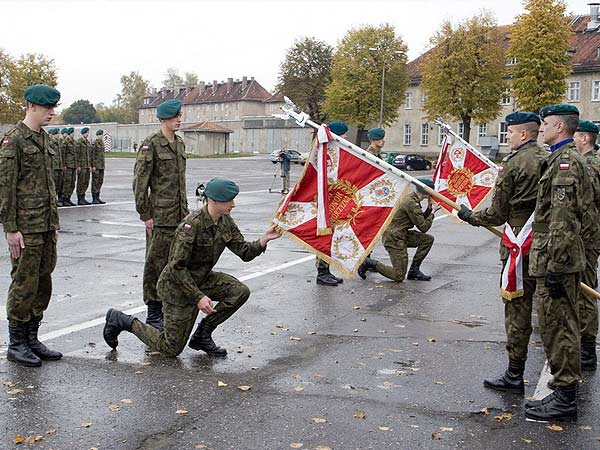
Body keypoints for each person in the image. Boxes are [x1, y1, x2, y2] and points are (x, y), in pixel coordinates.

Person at [103, 178, 281, 357]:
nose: (233, 204)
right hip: (177, 287)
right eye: (229, 200)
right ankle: (122, 321)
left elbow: (244, 252)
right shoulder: (191, 225)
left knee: (239, 291)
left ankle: (202, 335)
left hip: (201, 280)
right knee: (170, 348)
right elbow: (176, 267)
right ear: (213, 201)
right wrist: (198, 297)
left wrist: (263, 239)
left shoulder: (225, 221)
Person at [458, 112, 547, 393]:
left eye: (509, 133)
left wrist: (470, 216)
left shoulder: (515, 163)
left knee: (518, 309)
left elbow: (498, 212)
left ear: (523, 134)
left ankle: (514, 374)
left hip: (520, 242)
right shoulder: (548, 157)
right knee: (548, 307)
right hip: (545, 240)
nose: (506, 137)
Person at [524, 104, 592, 422]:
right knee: (553, 327)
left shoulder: (565, 163)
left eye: (546, 124)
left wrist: (556, 263)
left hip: (558, 261)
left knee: (561, 327)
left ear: (560, 127)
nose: (542, 128)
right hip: (554, 257)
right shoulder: (559, 159)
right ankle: (560, 389)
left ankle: (565, 398)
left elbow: (563, 220)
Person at [0, 84, 63, 367]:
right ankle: (16, 343)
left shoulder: (45, 140)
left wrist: (53, 221)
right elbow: (5, 188)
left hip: (46, 225)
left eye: (53, 107)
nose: (52, 112)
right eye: (48, 107)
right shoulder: (14, 141)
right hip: (25, 227)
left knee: (43, 281)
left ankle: (32, 337)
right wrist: (10, 228)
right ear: (31, 106)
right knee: (24, 283)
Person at [133, 99, 189, 329]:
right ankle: (153, 310)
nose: (179, 120)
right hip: (160, 217)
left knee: (175, 263)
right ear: (164, 118)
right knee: (155, 264)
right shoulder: (151, 145)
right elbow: (140, 184)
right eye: (175, 116)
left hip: (179, 215)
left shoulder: (179, 144)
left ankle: (168, 306)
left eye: (179, 116)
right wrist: (146, 215)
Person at [358, 178, 441, 281]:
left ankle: (414, 271)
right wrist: (432, 213)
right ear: (427, 193)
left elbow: (419, 220)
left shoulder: (412, 199)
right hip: (394, 239)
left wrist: (429, 209)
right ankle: (369, 263)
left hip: (401, 234)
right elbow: (423, 227)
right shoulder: (411, 203)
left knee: (427, 240)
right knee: (399, 276)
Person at [573, 120, 600, 371]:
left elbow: (586, 203)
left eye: (575, 136)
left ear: (584, 139)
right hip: (591, 235)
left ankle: (588, 350)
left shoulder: (590, 165)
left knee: (586, 292)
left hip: (587, 237)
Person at [315, 121, 348, 287]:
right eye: (343, 134)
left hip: (333, 200)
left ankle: (326, 270)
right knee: (324, 237)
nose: (346, 137)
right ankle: (322, 272)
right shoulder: (324, 152)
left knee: (330, 237)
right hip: (323, 203)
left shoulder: (335, 151)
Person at [75, 127, 92, 205]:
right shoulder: (79, 142)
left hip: (87, 165)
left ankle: (83, 197)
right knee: (81, 182)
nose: (87, 134)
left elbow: (89, 155)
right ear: (83, 133)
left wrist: (90, 165)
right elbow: (77, 154)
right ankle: (80, 198)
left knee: (86, 182)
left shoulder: (87, 142)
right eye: (86, 133)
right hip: (81, 165)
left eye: (88, 133)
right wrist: (78, 165)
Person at [48, 128, 64, 207]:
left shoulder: (58, 143)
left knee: (58, 184)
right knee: (53, 184)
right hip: (53, 166)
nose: (59, 135)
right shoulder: (50, 143)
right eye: (58, 133)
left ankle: (56, 199)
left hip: (59, 166)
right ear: (54, 134)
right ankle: (52, 201)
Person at [61, 127, 77, 206]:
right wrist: (63, 164)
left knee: (72, 182)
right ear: (70, 133)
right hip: (68, 165)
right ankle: (64, 199)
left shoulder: (74, 142)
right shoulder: (66, 142)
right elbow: (63, 154)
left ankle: (69, 198)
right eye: (73, 132)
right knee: (67, 183)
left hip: (73, 165)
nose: (74, 134)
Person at [91, 129, 106, 204]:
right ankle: (94, 198)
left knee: (100, 181)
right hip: (96, 165)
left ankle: (98, 197)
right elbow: (92, 155)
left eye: (102, 135)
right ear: (97, 135)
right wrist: (93, 165)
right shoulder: (95, 143)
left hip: (101, 165)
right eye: (100, 135)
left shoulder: (102, 143)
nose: (101, 136)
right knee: (95, 182)